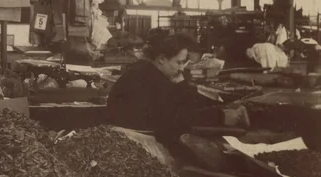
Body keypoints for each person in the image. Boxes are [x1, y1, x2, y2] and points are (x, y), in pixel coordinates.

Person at [105, 31, 244, 146]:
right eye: (179, 62)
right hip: (137, 142)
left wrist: (222, 108)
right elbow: (182, 117)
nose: (182, 68)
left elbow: (181, 104)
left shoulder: (147, 70)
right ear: (162, 59)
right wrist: (221, 116)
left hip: (136, 135)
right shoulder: (150, 79)